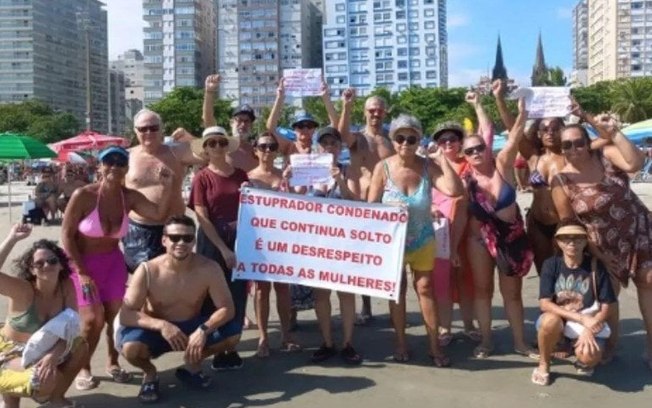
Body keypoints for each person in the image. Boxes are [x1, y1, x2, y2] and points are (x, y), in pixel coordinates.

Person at [61, 146, 172, 391]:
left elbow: (157, 213)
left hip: (113, 263)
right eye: (108, 161)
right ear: (99, 166)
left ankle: (113, 363)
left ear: (126, 168)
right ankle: (84, 366)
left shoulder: (128, 197)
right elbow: (67, 236)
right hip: (82, 264)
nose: (114, 166)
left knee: (115, 318)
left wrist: (166, 185)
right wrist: (81, 272)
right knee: (92, 321)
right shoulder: (84, 195)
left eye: (120, 162)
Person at [551, 115, 651, 368]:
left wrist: (612, 131)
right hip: (601, 244)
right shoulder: (561, 180)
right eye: (567, 145)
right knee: (609, 297)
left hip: (638, 229)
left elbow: (635, 163)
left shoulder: (605, 155)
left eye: (578, 142)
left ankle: (651, 344)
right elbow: (569, 224)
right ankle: (611, 345)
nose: (574, 149)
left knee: (648, 282)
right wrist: (595, 253)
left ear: (588, 142)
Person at [368, 114, 463, 366]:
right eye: (400, 138)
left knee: (425, 289)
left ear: (419, 140)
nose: (405, 144)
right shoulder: (383, 168)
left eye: (411, 139)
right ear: (393, 140)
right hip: (393, 243)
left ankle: (434, 347)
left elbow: (455, 191)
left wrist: (443, 159)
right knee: (396, 292)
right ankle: (400, 342)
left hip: (422, 239)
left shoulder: (427, 167)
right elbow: (370, 206)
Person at [118, 215, 239, 403]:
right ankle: (150, 373)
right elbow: (126, 314)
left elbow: (227, 308)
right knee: (131, 349)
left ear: (194, 241)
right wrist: (162, 326)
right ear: (164, 240)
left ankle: (191, 364)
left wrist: (203, 330)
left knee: (233, 334)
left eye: (187, 238)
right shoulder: (148, 270)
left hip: (192, 326)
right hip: (156, 331)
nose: (181, 243)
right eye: (174, 238)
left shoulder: (209, 268)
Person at [461, 97, 535, 359]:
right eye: (469, 151)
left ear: (487, 148)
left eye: (479, 147)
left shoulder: (502, 165)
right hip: (478, 241)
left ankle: (520, 342)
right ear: (464, 156)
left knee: (512, 294)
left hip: (511, 239)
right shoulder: (464, 180)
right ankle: (487, 341)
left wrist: (522, 114)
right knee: (483, 291)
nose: (476, 153)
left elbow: (513, 137)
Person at [1, 223, 87, 408]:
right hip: (10, 353)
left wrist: (52, 356)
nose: (46, 265)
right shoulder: (23, 290)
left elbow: (70, 330)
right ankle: (8, 397)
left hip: (44, 347)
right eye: (39, 263)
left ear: (61, 265)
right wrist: (12, 239)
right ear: (31, 269)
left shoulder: (67, 287)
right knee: (43, 381)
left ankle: (56, 400)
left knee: (80, 347)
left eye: (52, 261)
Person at [428, 91, 489, 347]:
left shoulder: (470, 163)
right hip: (439, 231)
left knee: (466, 279)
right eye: (442, 141)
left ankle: (468, 324)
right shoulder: (429, 165)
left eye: (453, 139)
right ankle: (444, 327)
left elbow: (486, 133)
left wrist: (478, 105)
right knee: (441, 280)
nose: (448, 144)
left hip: (466, 231)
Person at [187, 127, 249, 371]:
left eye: (221, 142)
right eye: (211, 143)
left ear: (227, 145)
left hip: (241, 238)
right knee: (211, 294)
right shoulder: (202, 177)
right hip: (212, 241)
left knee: (237, 292)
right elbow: (202, 216)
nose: (217, 147)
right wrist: (223, 248)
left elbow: (254, 206)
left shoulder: (241, 174)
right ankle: (209, 343)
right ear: (205, 148)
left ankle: (230, 346)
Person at [122, 108, 206, 273]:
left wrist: (189, 137)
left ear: (162, 129)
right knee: (144, 281)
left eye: (153, 128)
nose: (148, 132)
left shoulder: (176, 151)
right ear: (135, 131)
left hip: (174, 227)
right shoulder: (127, 156)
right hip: (139, 229)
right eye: (143, 129)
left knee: (176, 281)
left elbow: (213, 153)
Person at [532, 222, 617, 385]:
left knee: (589, 357)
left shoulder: (596, 266)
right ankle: (544, 363)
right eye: (565, 238)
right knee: (549, 320)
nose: (572, 243)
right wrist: (581, 319)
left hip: (589, 321)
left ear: (586, 241)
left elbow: (608, 305)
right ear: (558, 241)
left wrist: (588, 329)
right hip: (561, 321)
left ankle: (575, 349)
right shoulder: (551, 264)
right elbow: (545, 304)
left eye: (578, 238)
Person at [306, 127, 363, 365]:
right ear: (318, 147)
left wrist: (340, 180)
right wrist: (286, 182)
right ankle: (327, 342)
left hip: (343, 243)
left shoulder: (349, 171)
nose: (329, 147)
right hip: (317, 245)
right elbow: (294, 203)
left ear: (340, 148)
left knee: (346, 293)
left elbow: (357, 202)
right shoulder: (306, 172)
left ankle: (347, 343)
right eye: (324, 143)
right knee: (321, 295)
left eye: (333, 143)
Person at [339, 88, 396, 324]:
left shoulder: (392, 139)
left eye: (380, 110)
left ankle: (395, 304)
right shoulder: (358, 138)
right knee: (361, 256)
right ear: (365, 112)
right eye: (372, 110)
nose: (376, 114)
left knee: (389, 256)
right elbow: (341, 133)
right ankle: (366, 306)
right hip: (361, 200)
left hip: (387, 201)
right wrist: (346, 105)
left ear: (385, 113)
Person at [246, 132, 301, 357]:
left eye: (272, 147)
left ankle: (286, 335)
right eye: (263, 146)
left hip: (281, 241)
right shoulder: (247, 177)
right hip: (258, 241)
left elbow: (298, 206)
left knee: (283, 290)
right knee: (261, 291)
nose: (267, 151)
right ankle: (263, 337)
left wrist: (289, 186)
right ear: (255, 150)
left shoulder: (283, 176)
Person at [266, 77, 340, 158]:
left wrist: (325, 97)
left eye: (309, 126)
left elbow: (335, 124)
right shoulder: (289, 147)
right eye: (300, 126)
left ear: (314, 129)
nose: (305, 129)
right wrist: (279, 98)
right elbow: (271, 130)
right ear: (294, 129)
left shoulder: (320, 147)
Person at [202, 74, 258, 172]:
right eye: (239, 120)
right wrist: (209, 92)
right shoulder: (221, 146)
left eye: (247, 121)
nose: (243, 125)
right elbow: (208, 120)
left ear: (251, 125)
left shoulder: (257, 151)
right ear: (231, 123)